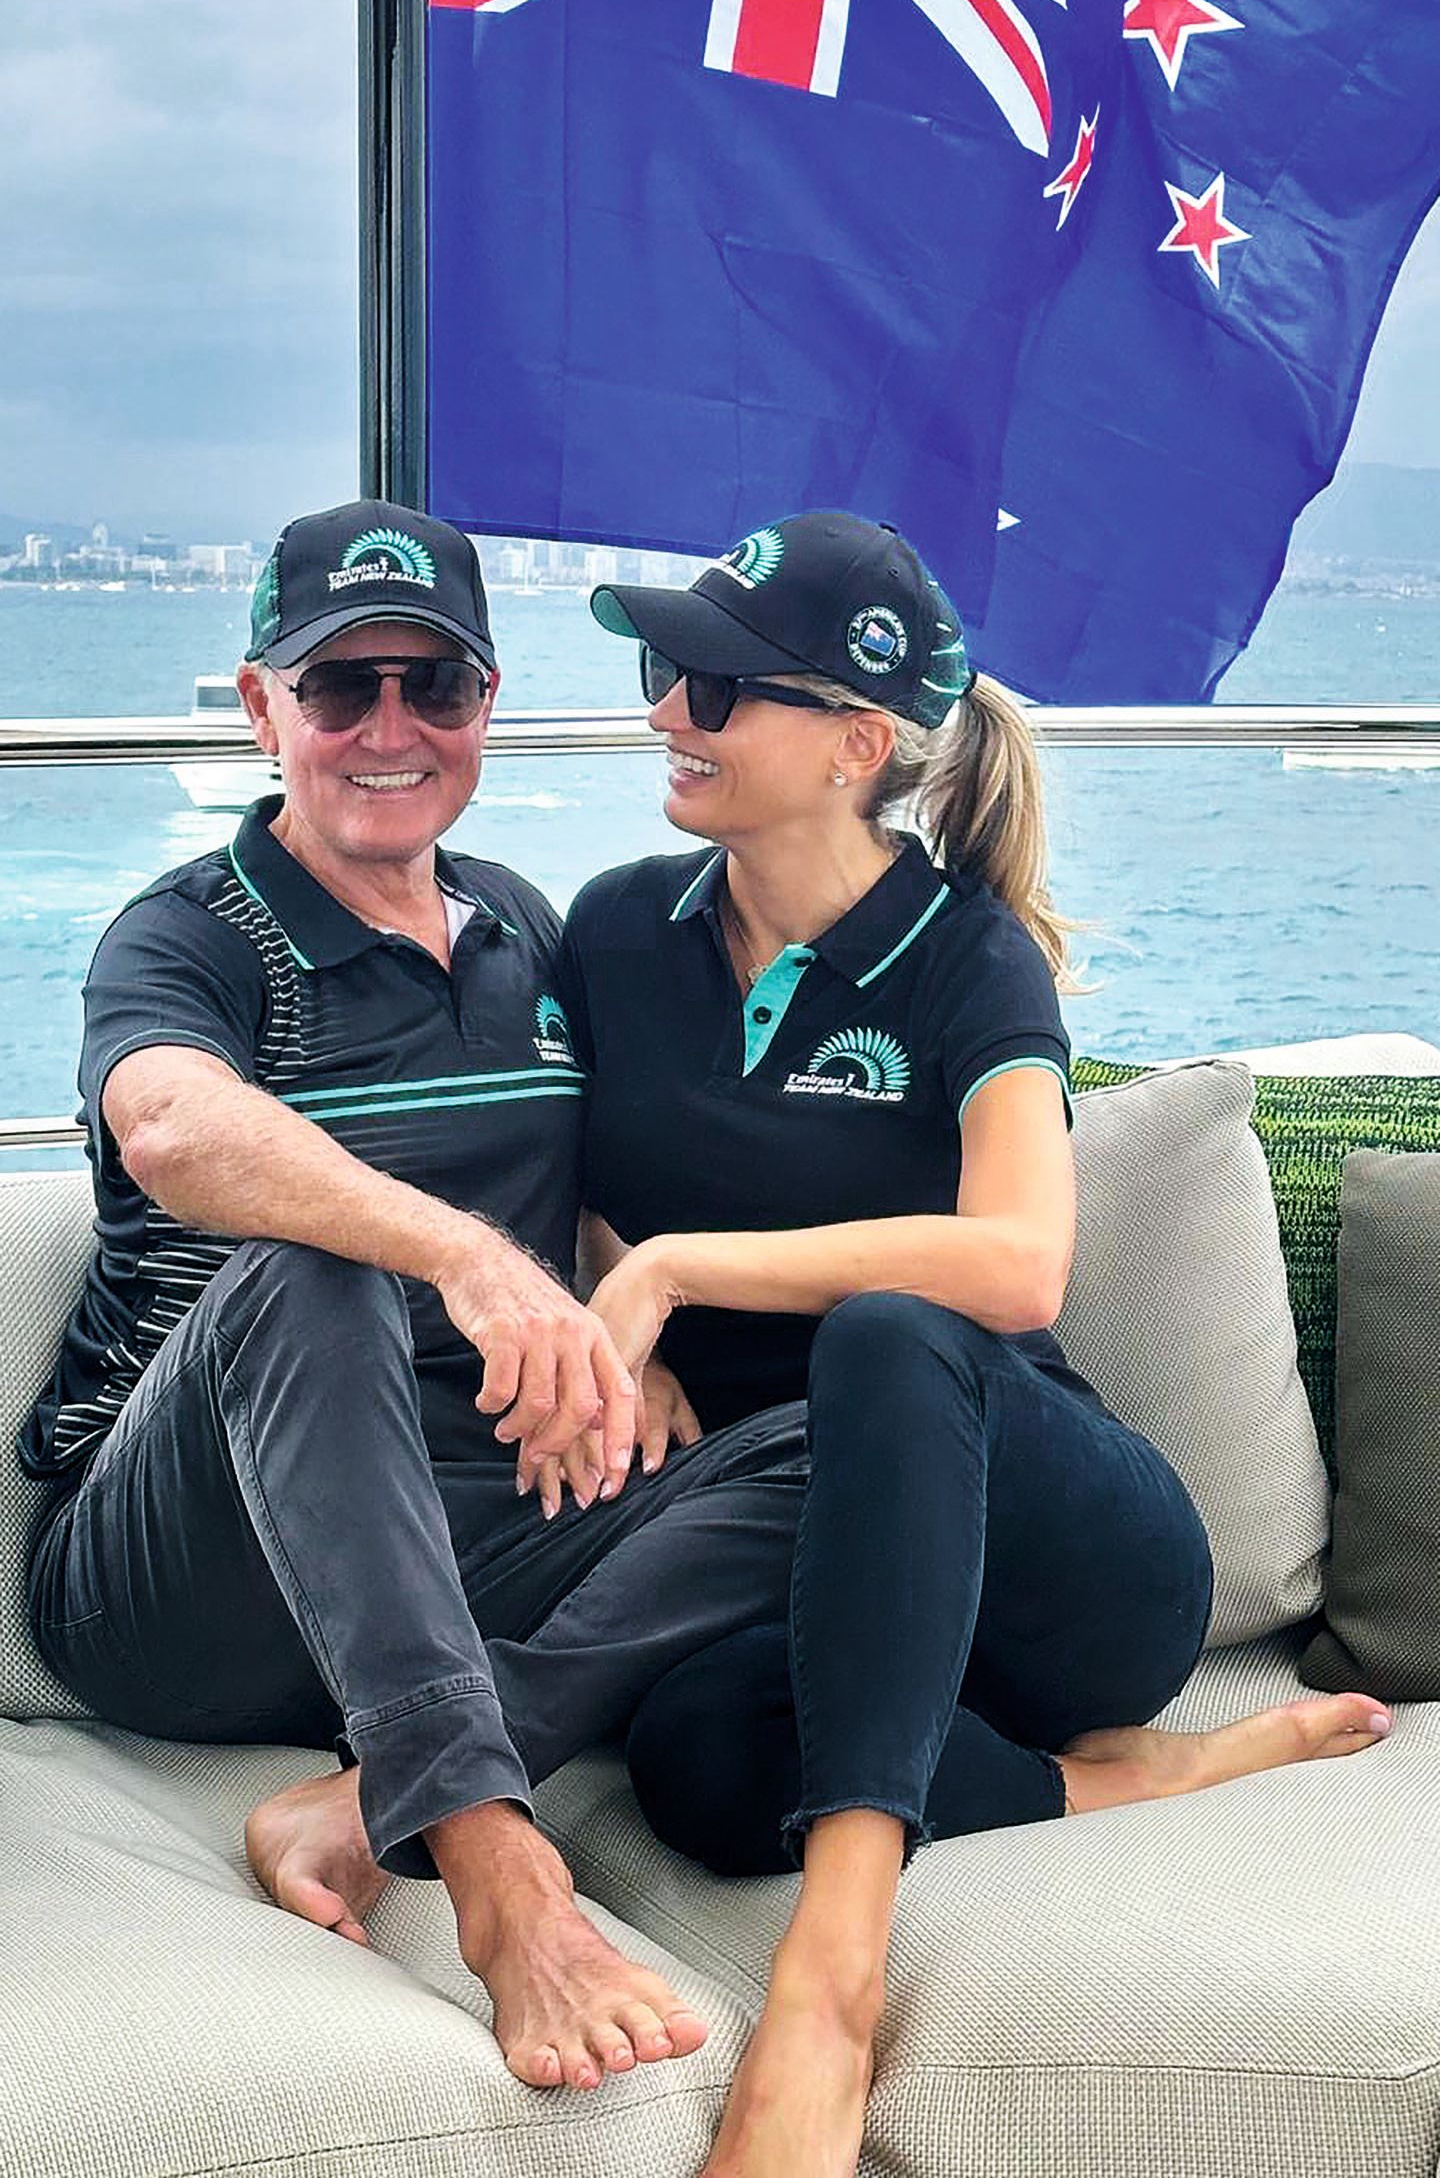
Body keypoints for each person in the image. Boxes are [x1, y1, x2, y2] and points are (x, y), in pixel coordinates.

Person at [539, 508, 1394, 2178]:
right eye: (662, 671)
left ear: (857, 741)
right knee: (698, 1769)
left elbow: (1018, 1260)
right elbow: (574, 1183)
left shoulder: (967, 965)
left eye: (712, 687)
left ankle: (833, 1990)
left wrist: (680, 1273)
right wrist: (620, 1308)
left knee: (888, 1329)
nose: (663, 713)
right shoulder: (617, 929)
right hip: (831, 1587)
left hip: (1065, 1570)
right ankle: (1153, 1783)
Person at [18, 498, 840, 2096]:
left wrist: (622, 1317)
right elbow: (173, 1127)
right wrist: (463, 1254)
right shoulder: (193, 935)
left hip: (463, 1548)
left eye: (435, 686)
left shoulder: (526, 925)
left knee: (871, 1407)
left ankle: (356, 1791)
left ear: (486, 708)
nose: (389, 728)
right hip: (182, 1575)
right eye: (340, 687)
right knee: (313, 1272)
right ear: (264, 710)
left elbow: (595, 1173)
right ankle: (496, 1867)